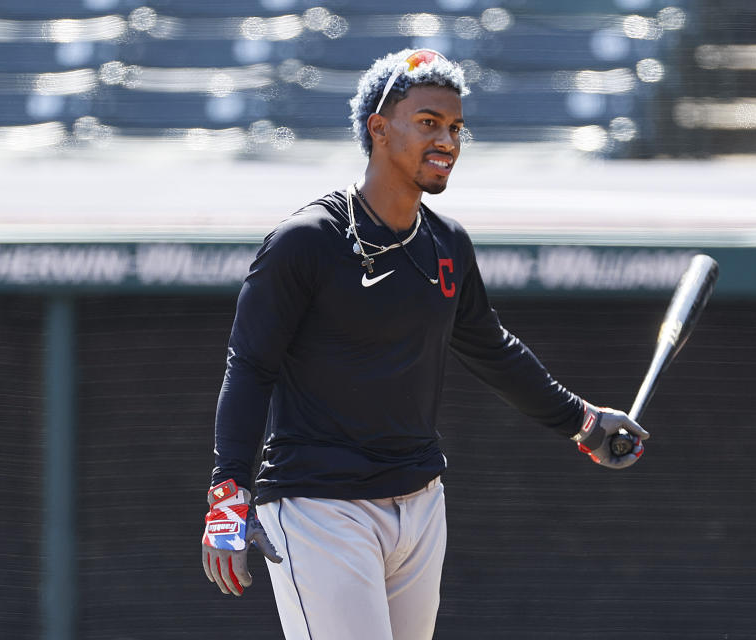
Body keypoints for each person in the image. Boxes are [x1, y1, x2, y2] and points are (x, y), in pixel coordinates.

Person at [200, 49, 650, 640]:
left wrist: (582, 420)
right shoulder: (304, 241)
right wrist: (228, 493)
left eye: (456, 127)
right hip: (319, 509)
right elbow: (249, 367)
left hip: (419, 504)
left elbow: (492, 348)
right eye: (429, 122)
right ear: (379, 129)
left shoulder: (447, 244)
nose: (448, 141)